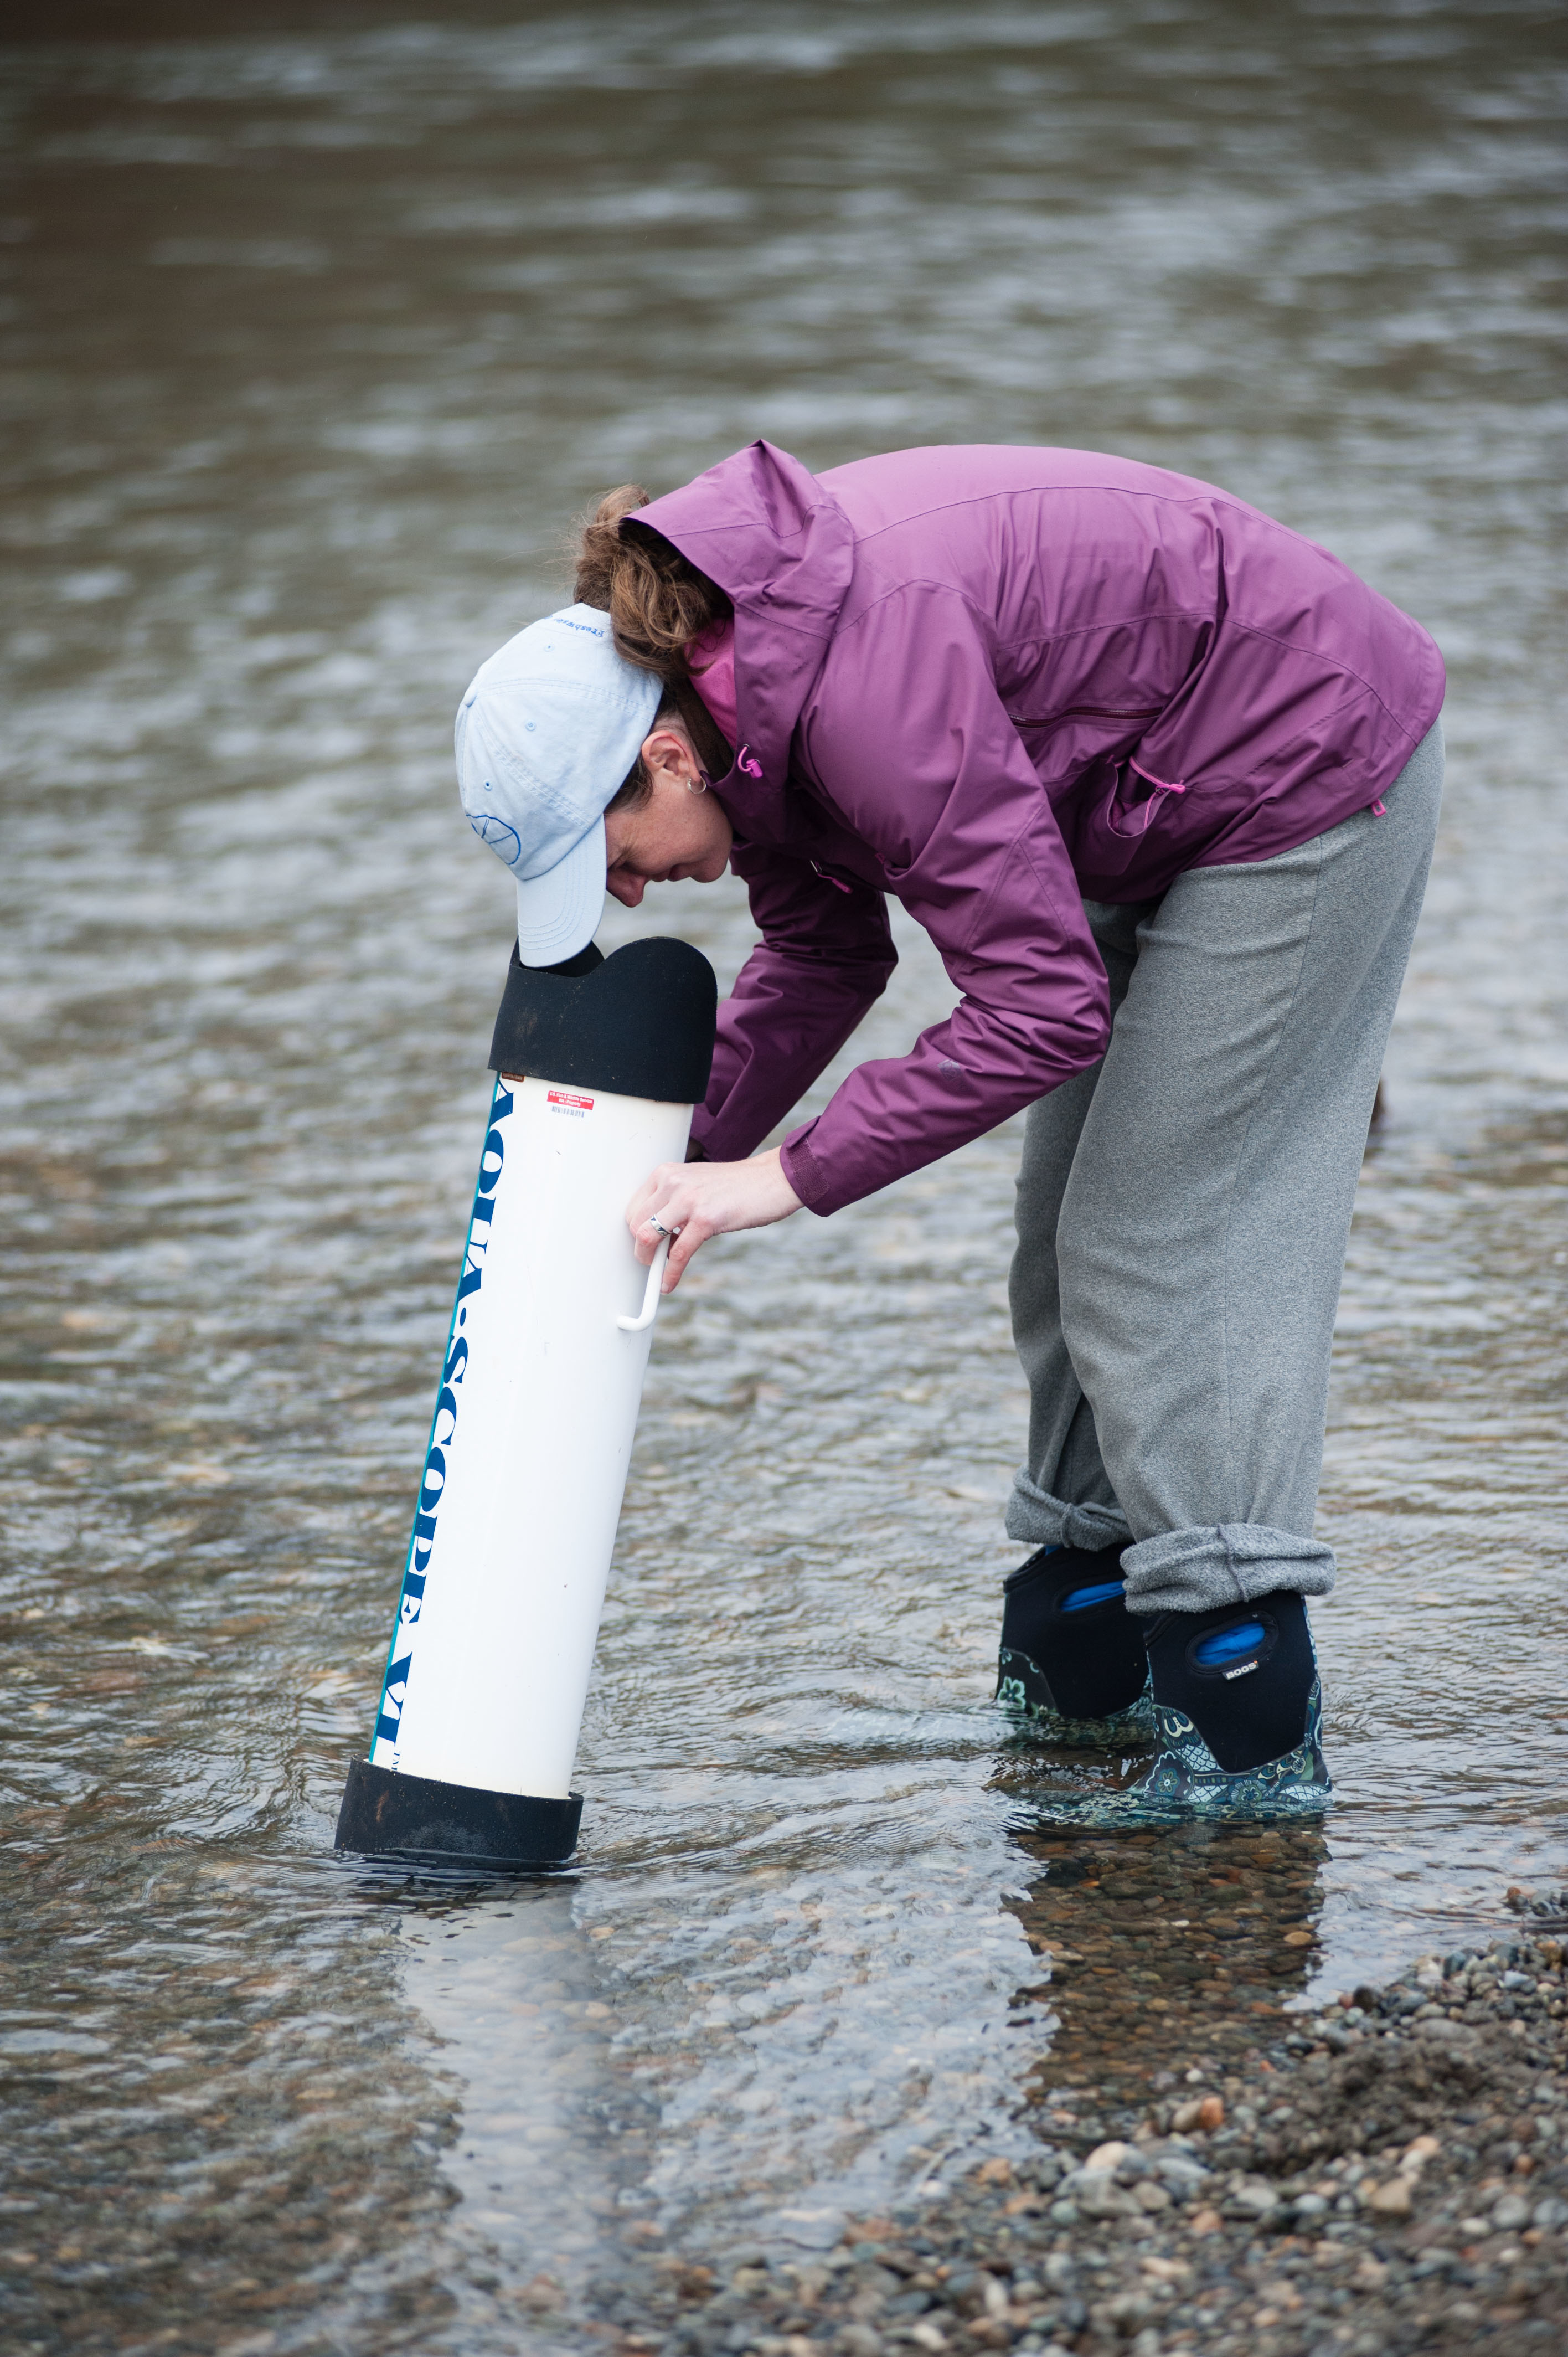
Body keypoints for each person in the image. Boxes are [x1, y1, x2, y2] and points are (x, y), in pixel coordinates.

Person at [453, 441, 1444, 1824]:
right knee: (1058, 1247)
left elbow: (1040, 1012)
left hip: (1303, 767)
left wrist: (782, 1180)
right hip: (1131, 797)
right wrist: (639, 1178)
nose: (622, 896)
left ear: (664, 755)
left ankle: (1245, 1721)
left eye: (610, 857)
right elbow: (821, 958)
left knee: (1151, 1245)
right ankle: (1087, 1632)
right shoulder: (751, 705)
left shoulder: (858, 693)